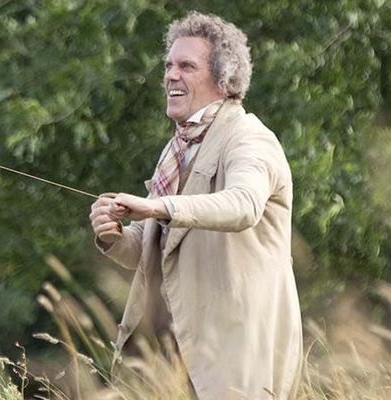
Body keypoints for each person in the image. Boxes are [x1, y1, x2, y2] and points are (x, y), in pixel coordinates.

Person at [88, 12, 301, 399]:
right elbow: (158, 250)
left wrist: (155, 207)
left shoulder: (250, 139)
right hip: (167, 357)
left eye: (186, 66)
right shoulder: (177, 148)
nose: (171, 75)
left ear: (224, 78)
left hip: (229, 361)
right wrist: (113, 234)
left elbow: (244, 205)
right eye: (168, 65)